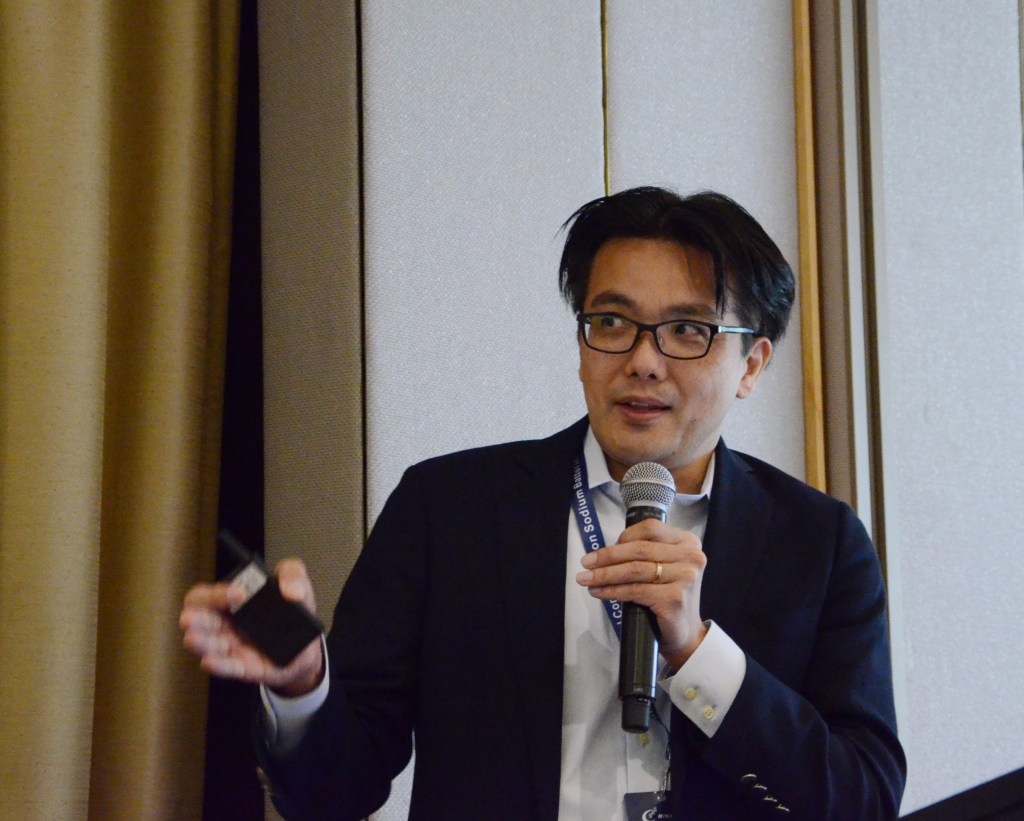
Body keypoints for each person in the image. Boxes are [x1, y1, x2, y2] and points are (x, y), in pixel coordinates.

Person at [180, 187, 906, 820]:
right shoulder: (449, 511)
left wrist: (695, 650)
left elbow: (863, 799)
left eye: (688, 331)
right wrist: (303, 684)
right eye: (612, 321)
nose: (642, 360)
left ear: (751, 364)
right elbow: (333, 792)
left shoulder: (820, 543)